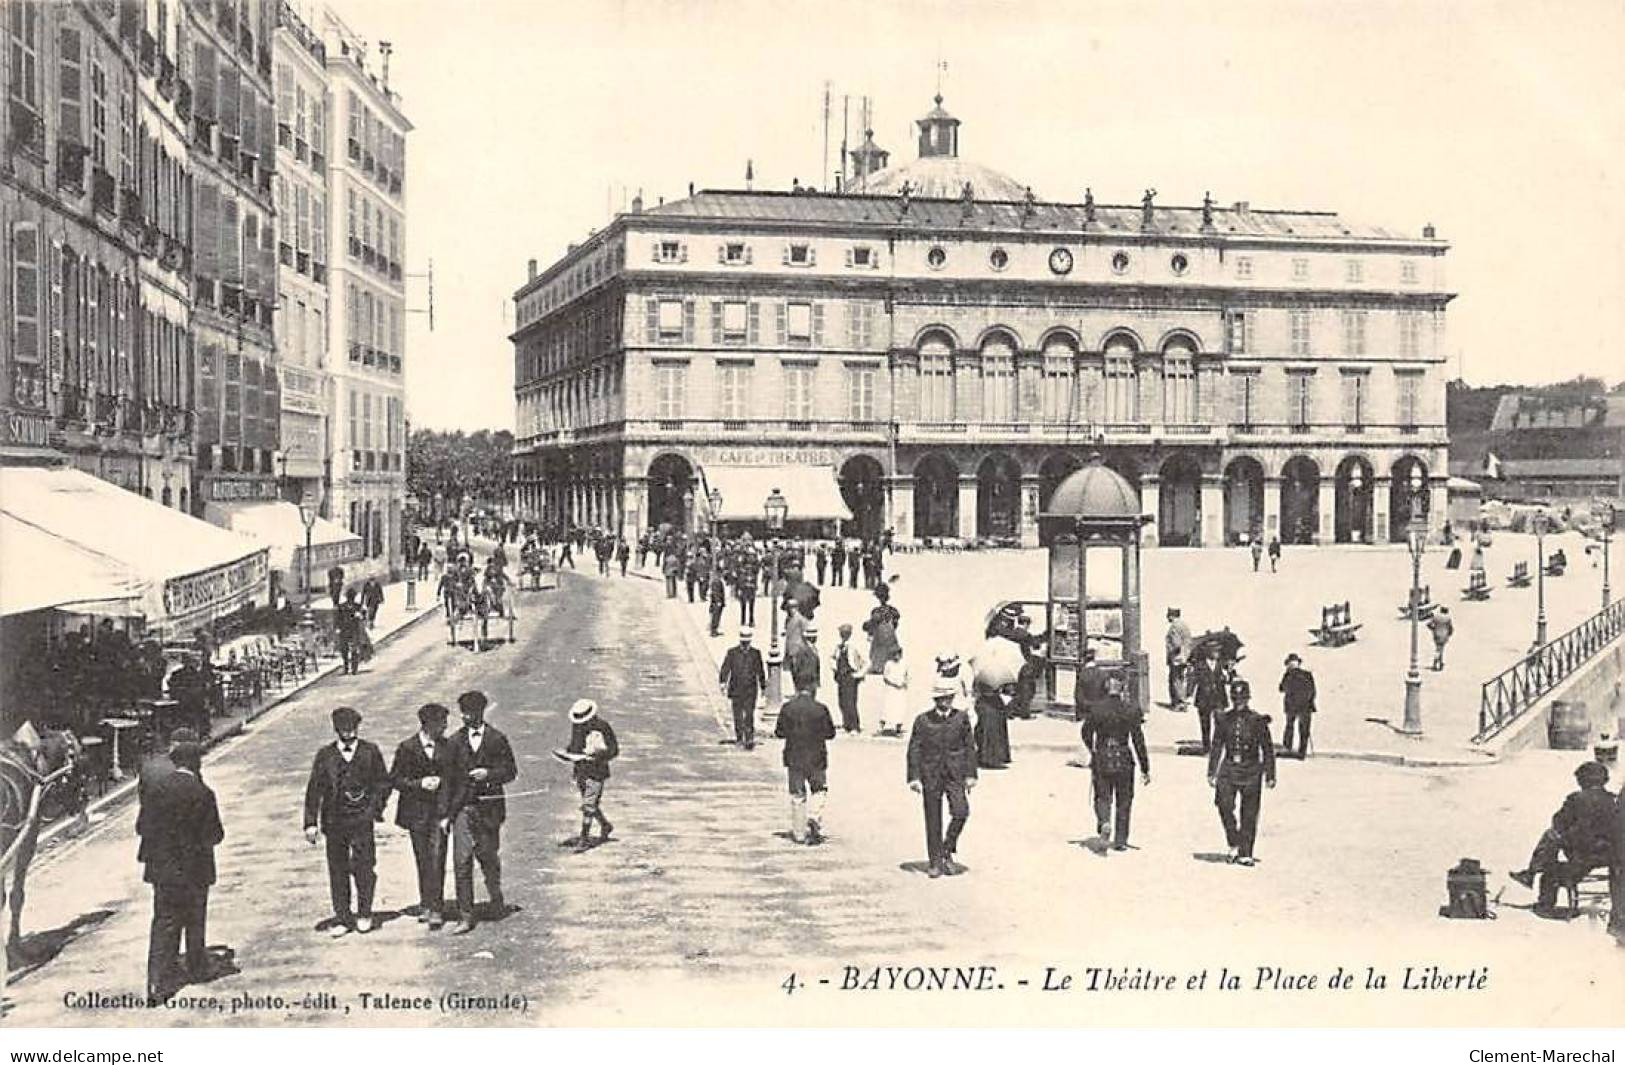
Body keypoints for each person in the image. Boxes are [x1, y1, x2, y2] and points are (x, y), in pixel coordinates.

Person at [137, 736, 221, 1005]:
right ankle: (197, 968)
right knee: (195, 919)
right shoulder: (203, 793)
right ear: (196, 762)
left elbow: (142, 828)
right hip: (195, 870)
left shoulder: (157, 790)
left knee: (164, 922)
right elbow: (215, 834)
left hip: (163, 871)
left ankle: (157, 983)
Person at [303, 707, 390, 937]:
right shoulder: (325, 755)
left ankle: (364, 913)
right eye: (343, 729)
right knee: (337, 869)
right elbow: (314, 790)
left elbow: (383, 783)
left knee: (364, 866)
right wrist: (310, 823)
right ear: (336, 730)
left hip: (362, 819)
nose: (348, 733)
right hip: (335, 821)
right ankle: (342, 916)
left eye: (351, 728)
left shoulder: (370, 752)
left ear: (357, 728)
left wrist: (374, 810)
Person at [445, 690, 518, 934]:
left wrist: (489, 774)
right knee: (461, 861)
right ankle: (465, 915)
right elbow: (448, 779)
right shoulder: (454, 742)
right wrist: (447, 814)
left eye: (472, 713)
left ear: (481, 712)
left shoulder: (497, 739)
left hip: (489, 809)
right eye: (463, 713)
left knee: (488, 857)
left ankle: (496, 898)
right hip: (463, 809)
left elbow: (510, 771)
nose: (467, 717)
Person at [1509, 761, 1617, 918]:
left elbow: (1559, 821)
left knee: (1551, 845)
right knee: (1554, 839)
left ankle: (1540, 893)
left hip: (1582, 854)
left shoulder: (1576, 799)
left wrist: (1564, 838)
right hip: (1607, 855)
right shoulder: (1612, 801)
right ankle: (1531, 872)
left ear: (1582, 780)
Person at [390, 703, 453, 929]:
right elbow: (395, 779)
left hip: (440, 813)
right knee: (423, 858)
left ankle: (436, 908)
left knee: (438, 857)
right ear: (428, 724)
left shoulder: (448, 746)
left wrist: (447, 810)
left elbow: (454, 777)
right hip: (416, 813)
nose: (445, 727)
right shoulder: (407, 748)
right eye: (441, 723)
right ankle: (427, 903)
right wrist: (419, 784)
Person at [907, 679, 978, 878]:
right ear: (935, 699)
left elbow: (970, 747)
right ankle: (935, 862)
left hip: (955, 774)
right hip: (931, 775)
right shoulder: (923, 720)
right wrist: (914, 777)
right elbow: (914, 749)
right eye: (941, 698)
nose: (945, 701)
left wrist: (971, 774)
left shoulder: (961, 718)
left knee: (961, 811)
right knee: (933, 818)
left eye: (949, 697)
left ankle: (947, 848)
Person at [1207, 679, 1277, 866]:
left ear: (1248, 699)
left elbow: (1267, 749)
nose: (1239, 703)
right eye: (1236, 699)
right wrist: (1212, 771)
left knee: (1249, 811)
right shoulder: (1223, 719)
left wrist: (1270, 775)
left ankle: (1246, 851)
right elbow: (1217, 746)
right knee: (1223, 803)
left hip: (1251, 768)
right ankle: (1233, 840)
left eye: (1242, 699)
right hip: (1229, 767)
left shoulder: (1257, 720)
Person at [1081, 673, 1149, 850]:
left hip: (1103, 755)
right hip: (1124, 756)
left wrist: (1093, 749)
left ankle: (1104, 821)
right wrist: (1145, 767)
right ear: (1122, 688)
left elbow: (1086, 732)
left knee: (1102, 795)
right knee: (1124, 799)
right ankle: (1120, 840)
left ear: (1106, 687)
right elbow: (1138, 739)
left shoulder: (1096, 709)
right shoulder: (1131, 710)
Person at [775, 678, 837, 844]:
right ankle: (814, 815)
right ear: (813, 690)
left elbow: (779, 732)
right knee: (819, 789)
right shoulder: (821, 709)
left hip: (794, 756)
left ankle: (799, 833)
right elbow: (830, 733)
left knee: (797, 794)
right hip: (817, 756)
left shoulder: (788, 708)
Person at [562, 699, 619, 850]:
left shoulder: (603, 727)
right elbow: (575, 744)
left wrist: (598, 754)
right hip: (581, 769)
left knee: (589, 804)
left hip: (596, 771)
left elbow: (614, 750)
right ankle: (605, 825)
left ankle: (584, 837)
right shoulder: (577, 726)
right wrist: (568, 753)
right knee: (590, 804)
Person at [719, 627, 767, 749]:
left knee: (750, 714)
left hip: (751, 689)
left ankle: (749, 737)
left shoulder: (755, 653)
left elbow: (760, 670)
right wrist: (723, 682)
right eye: (743, 641)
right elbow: (726, 667)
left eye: (747, 641)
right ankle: (740, 736)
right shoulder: (732, 653)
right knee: (738, 714)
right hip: (736, 688)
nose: (745, 643)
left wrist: (763, 686)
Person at [829, 623, 868, 734]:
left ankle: (854, 725)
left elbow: (866, 662)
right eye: (841, 633)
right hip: (841, 676)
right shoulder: (838, 646)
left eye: (845, 633)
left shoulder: (854, 646)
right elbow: (832, 658)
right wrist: (834, 668)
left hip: (850, 676)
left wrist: (859, 674)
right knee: (841, 701)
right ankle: (846, 723)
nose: (843, 635)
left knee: (850, 701)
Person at [1189, 645, 1228, 754]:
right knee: (1205, 724)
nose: (1217, 654)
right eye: (1215, 652)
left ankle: (1217, 746)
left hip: (1218, 698)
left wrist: (1227, 676)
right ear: (1209, 653)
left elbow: (1227, 679)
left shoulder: (1221, 665)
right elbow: (1193, 680)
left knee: (1220, 723)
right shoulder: (1200, 665)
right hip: (1204, 698)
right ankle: (1206, 747)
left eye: (1218, 652)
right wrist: (1189, 694)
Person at [1278, 654, 1317, 759]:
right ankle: (1302, 751)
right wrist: (1310, 701)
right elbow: (1313, 690)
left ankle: (1288, 747)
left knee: (1290, 726)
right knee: (1304, 728)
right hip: (1305, 705)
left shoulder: (1288, 675)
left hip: (1292, 705)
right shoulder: (1307, 674)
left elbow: (1281, 688)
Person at [973, 681, 1013, 770]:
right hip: (990, 703)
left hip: (987, 701)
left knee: (989, 730)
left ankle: (986, 756)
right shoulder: (991, 678)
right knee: (991, 731)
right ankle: (990, 758)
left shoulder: (982, 676)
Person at [864, 582, 901, 675]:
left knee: (878, 654)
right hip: (891, 638)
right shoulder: (893, 611)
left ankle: (879, 667)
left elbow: (871, 625)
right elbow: (896, 624)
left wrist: (868, 628)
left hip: (879, 640)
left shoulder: (876, 612)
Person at [1165, 607, 1193, 710]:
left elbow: (1176, 643)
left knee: (1175, 680)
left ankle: (1179, 703)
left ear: (1171, 615)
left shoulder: (1174, 626)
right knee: (1181, 679)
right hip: (1184, 657)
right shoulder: (1184, 625)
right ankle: (1182, 701)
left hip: (1176, 658)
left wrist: (1171, 652)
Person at [879, 653, 910, 737]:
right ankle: (882, 727)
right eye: (894, 655)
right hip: (890, 689)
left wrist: (905, 683)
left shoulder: (904, 664)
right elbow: (885, 677)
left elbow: (906, 675)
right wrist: (894, 684)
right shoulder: (889, 664)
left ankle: (898, 727)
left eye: (898, 655)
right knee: (887, 707)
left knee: (899, 708)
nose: (896, 656)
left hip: (900, 690)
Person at [788, 622, 822, 697]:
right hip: (805, 683)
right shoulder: (802, 651)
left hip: (812, 683)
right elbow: (796, 668)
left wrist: (817, 681)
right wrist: (799, 683)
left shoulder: (814, 649)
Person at [336, 588, 364, 675]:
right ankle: (347, 667)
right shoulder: (342, 607)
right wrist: (338, 627)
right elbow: (338, 618)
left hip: (353, 630)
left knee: (353, 650)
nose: (350, 598)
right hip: (345, 630)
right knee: (345, 650)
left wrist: (360, 616)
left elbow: (363, 616)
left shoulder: (357, 606)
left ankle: (353, 668)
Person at [1427, 606, 1454, 671]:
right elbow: (1450, 627)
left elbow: (1429, 624)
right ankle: (1437, 663)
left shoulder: (1436, 617)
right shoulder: (1448, 618)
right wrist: (1449, 634)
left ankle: (1439, 662)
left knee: (1438, 649)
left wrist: (1433, 629)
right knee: (1440, 649)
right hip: (1444, 635)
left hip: (1436, 634)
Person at [706, 572, 728, 637]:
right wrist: (718, 601)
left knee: (717, 616)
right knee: (715, 616)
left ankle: (715, 630)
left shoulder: (717, 581)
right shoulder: (716, 582)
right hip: (717, 602)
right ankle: (713, 631)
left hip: (718, 601)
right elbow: (715, 593)